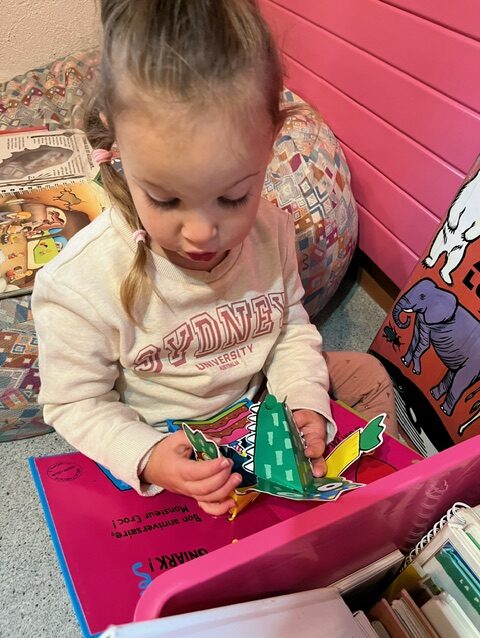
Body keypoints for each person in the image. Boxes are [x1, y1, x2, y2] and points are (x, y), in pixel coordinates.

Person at [32, 0, 397, 517]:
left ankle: (385, 516)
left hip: (259, 408)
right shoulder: (80, 282)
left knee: (366, 374)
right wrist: (148, 457)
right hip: (167, 436)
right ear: (116, 142)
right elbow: (75, 402)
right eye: (165, 199)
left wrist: (303, 400)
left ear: (270, 145)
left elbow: (291, 330)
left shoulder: (272, 228)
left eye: (233, 197)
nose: (202, 233)